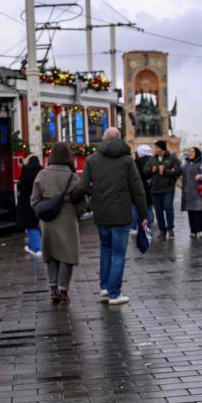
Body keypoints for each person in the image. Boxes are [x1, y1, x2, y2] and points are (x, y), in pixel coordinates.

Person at [71, 128, 147, 306]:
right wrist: (143, 214)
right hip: (121, 214)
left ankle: (105, 287)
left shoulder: (92, 159)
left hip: (101, 213)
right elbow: (138, 189)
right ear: (119, 139)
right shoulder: (127, 160)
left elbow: (82, 187)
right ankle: (114, 294)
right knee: (118, 254)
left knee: (105, 249)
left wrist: (72, 198)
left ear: (104, 139)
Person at [31, 143, 81, 305]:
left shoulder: (42, 174)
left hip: (48, 221)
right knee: (67, 255)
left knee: (51, 254)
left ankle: (52, 288)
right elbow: (81, 202)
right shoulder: (72, 176)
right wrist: (77, 213)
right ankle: (63, 290)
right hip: (68, 219)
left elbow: (34, 201)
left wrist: (43, 210)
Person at [144, 140, 181, 240]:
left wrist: (165, 171)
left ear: (162, 148)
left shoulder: (172, 158)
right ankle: (162, 231)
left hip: (168, 188)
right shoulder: (152, 159)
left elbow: (178, 171)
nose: (154, 149)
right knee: (158, 211)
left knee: (168, 207)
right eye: (154, 148)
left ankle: (170, 229)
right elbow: (145, 172)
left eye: (156, 147)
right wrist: (152, 170)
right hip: (155, 189)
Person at [17, 154, 43, 256]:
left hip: (27, 203)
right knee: (37, 225)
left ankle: (37, 248)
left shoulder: (27, 173)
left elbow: (21, 186)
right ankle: (33, 247)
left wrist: (23, 168)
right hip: (38, 201)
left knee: (31, 226)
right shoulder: (41, 172)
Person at [181, 147, 202, 238]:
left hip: (198, 192)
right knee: (190, 212)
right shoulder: (185, 164)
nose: (190, 153)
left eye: (192, 152)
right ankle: (193, 230)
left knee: (198, 211)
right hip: (187, 192)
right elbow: (180, 171)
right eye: (189, 151)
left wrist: (201, 176)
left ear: (197, 153)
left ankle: (200, 230)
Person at [131, 145, 154, 233]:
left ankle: (134, 227)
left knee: (135, 207)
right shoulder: (152, 161)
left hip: (137, 187)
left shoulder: (136, 162)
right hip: (149, 187)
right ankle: (148, 225)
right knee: (148, 207)